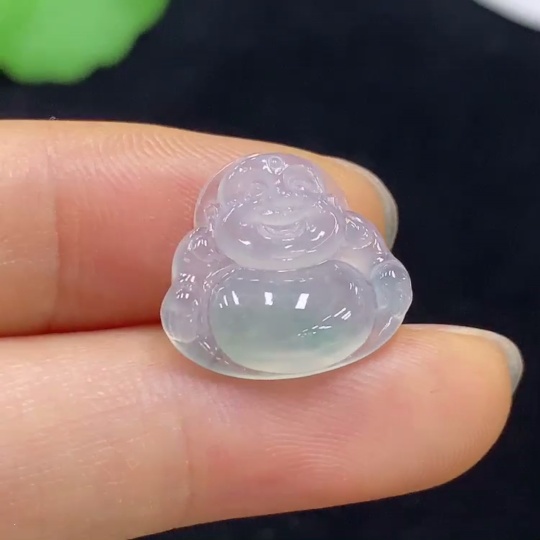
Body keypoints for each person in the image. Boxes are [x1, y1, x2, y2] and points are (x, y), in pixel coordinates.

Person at [0, 120, 522, 540]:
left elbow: (380, 268)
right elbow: (189, 288)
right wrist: (188, 307)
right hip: (243, 313)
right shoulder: (207, 245)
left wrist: (386, 283)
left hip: (337, 306)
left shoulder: (347, 232)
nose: (280, 205)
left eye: (295, 192)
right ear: (225, 211)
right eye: (259, 195)